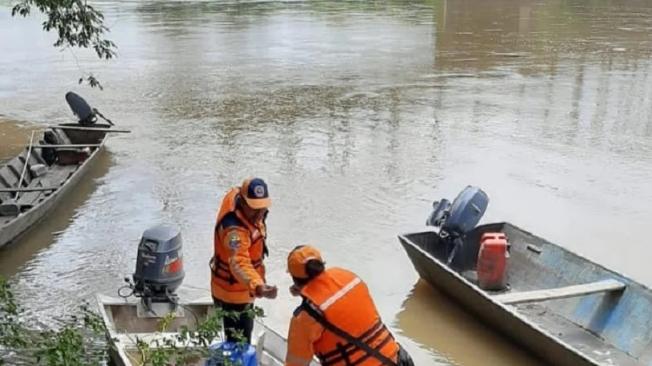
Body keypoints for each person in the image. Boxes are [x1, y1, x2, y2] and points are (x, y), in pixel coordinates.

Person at [285, 245, 415, 366]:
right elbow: (333, 302)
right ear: (320, 264)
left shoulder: (305, 318)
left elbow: (296, 364)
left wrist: (306, 294)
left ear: (295, 279)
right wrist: (306, 292)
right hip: (395, 361)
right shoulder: (349, 278)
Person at [210, 177, 278, 343]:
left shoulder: (237, 198)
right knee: (239, 342)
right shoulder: (234, 231)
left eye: (262, 208)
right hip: (233, 293)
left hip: (244, 289)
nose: (259, 213)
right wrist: (258, 286)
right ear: (242, 202)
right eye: (254, 209)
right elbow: (238, 262)